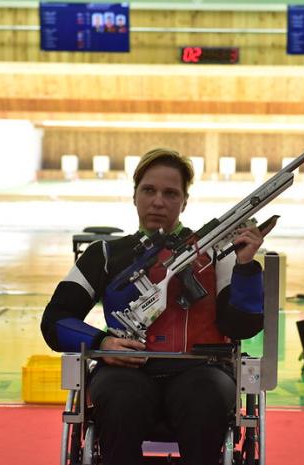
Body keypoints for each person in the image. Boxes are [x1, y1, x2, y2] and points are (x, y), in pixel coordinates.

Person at [41, 148, 268, 465]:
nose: (158, 201)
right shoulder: (104, 255)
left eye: (170, 193)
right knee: (121, 400)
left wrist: (245, 267)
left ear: (184, 202)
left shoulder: (219, 253)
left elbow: (242, 326)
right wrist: (100, 343)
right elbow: (55, 320)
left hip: (202, 373)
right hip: (124, 372)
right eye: (149, 190)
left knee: (203, 399)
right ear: (134, 196)